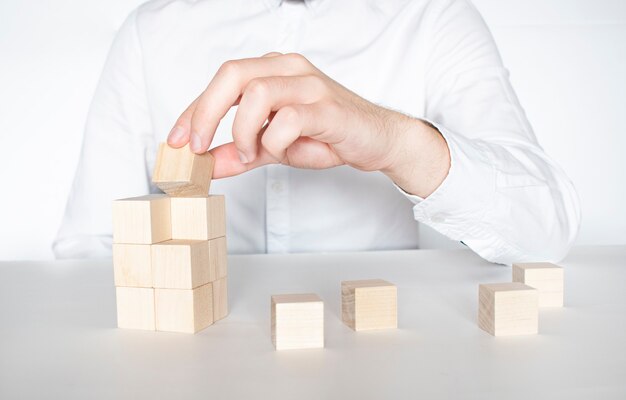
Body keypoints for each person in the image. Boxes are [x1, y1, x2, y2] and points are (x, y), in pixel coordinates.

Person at [53, 0, 580, 264]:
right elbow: (88, 247)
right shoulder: (153, 27)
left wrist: (395, 141)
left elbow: (545, 232)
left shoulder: (432, 16)